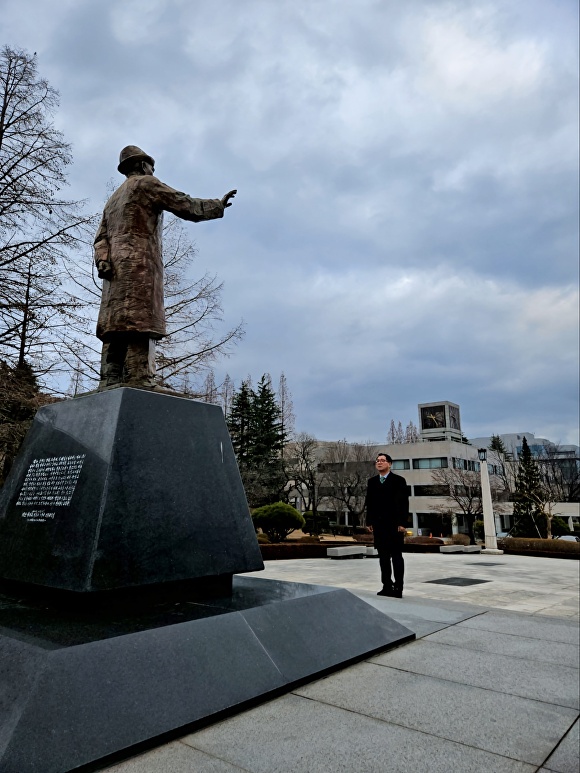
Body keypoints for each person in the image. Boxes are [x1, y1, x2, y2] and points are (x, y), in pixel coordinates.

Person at [94, 145, 236, 389]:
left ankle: (109, 379)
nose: (153, 169)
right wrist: (217, 206)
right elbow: (183, 203)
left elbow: (100, 238)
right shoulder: (146, 184)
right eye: (151, 165)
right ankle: (141, 378)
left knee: (115, 323)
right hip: (139, 263)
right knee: (141, 319)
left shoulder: (112, 200)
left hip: (115, 271)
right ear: (141, 165)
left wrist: (103, 260)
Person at [364, 453, 409, 597]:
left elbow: (404, 503)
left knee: (396, 556)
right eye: (377, 461)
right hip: (379, 525)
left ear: (389, 464)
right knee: (383, 557)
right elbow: (369, 503)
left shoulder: (399, 481)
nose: (379, 463)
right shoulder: (372, 482)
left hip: (395, 525)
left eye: (383, 460)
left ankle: (398, 587)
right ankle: (386, 586)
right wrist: (369, 521)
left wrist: (403, 523)